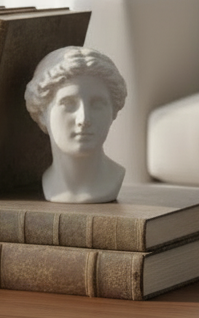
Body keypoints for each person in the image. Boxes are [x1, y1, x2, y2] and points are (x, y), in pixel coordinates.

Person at [24, 46, 128, 203]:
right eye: (68, 104)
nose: (84, 119)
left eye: (97, 104)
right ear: (42, 113)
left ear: (113, 111)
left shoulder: (116, 177)